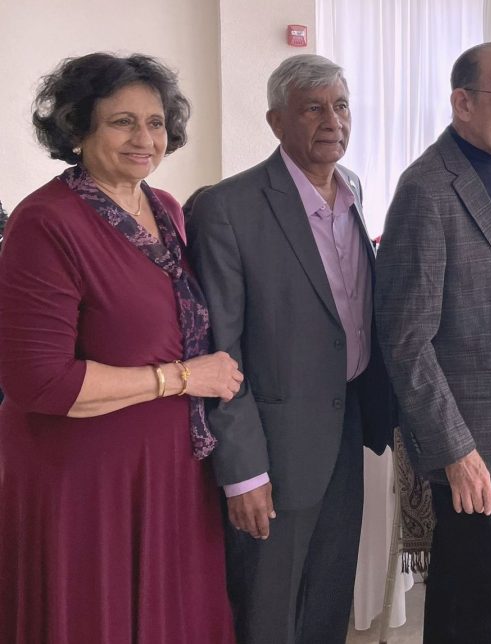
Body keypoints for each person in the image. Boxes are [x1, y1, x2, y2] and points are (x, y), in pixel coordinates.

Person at [0, 52, 242, 644]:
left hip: (170, 469)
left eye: (155, 122)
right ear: (78, 130)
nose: (144, 138)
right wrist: (183, 378)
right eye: (122, 122)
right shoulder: (44, 222)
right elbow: (42, 383)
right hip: (84, 480)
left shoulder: (167, 210)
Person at [187, 54, 392, 644]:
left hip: (346, 424)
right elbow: (220, 348)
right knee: (268, 610)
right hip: (274, 448)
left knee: (328, 593)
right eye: (313, 108)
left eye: (341, 105)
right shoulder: (228, 208)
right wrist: (243, 471)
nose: (333, 120)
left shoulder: (350, 190)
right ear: (277, 121)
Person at [375, 42, 491, 644]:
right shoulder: (428, 188)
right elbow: (405, 339)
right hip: (471, 448)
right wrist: (456, 449)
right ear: (462, 102)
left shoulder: (489, 172)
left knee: (468, 597)